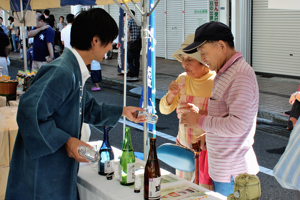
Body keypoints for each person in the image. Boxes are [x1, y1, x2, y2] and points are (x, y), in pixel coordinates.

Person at [5, 8, 146, 200]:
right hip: (45, 169)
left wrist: (122, 111)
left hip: (56, 164)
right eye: (111, 40)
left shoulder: (73, 69)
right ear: (95, 40)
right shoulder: (62, 71)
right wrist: (67, 141)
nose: (113, 45)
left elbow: (87, 107)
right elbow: (29, 112)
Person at [180, 21, 260, 197]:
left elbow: (238, 125)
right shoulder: (225, 72)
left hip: (233, 173)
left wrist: (200, 121)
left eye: (204, 53)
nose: (203, 58)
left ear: (221, 46)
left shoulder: (240, 75)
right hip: (224, 170)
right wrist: (207, 132)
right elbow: (226, 116)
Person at [159, 33, 215, 190]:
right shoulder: (182, 79)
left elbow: (225, 120)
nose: (184, 64)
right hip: (183, 151)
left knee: (203, 193)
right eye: (183, 59)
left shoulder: (217, 82)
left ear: (204, 61)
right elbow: (163, 110)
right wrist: (170, 95)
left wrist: (200, 116)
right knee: (183, 192)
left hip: (206, 154)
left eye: (189, 59)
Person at [127, 10, 141, 82]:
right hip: (138, 44)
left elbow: (127, 30)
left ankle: (132, 75)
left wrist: (128, 39)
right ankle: (136, 75)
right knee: (136, 60)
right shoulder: (138, 21)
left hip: (131, 43)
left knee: (129, 60)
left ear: (129, 15)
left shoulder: (130, 21)